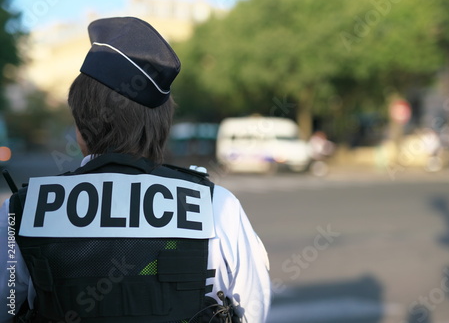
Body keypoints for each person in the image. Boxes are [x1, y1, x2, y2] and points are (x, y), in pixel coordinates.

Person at [0, 17, 270, 323]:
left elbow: (7, 305)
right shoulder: (216, 206)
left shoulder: (22, 210)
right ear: (162, 127)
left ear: (79, 127)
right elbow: (253, 311)